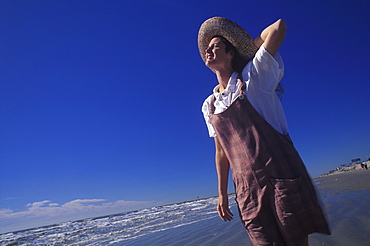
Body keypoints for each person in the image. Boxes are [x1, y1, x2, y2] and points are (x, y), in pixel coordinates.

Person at [198, 17, 331, 246]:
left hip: (282, 176)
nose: (208, 50)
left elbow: (278, 27)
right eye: (206, 48)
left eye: (215, 45)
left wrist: (248, 48)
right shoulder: (209, 105)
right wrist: (222, 194)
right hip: (246, 191)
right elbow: (221, 152)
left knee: (297, 241)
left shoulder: (253, 77)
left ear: (230, 53)